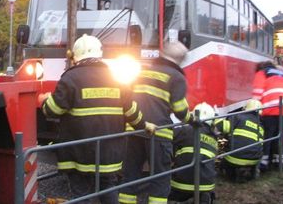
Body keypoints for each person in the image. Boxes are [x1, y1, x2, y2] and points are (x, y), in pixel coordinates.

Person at [38, 34, 155, 204]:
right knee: (108, 190)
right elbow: (131, 111)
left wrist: (44, 100)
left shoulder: (70, 78)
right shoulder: (117, 77)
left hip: (80, 154)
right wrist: (145, 125)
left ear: (75, 56)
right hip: (109, 154)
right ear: (100, 53)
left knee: (82, 195)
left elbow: (52, 111)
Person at [119, 41, 193, 204]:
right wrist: (193, 120)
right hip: (159, 132)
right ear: (180, 59)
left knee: (130, 174)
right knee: (160, 177)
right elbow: (180, 110)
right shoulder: (176, 77)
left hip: (134, 129)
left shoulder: (145, 71)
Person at [169, 103, 218, 204]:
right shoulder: (214, 139)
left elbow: (166, 137)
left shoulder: (184, 130)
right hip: (206, 185)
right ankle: (203, 197)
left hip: (180, 185)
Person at [252, 61, 283, 171]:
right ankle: (279, 162)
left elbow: (257, 92)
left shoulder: (262, 73)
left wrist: (254, 110)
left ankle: (264, 163)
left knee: (268, 136)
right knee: (281, 136)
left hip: (271, 108)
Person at [215, 99, 263, 183]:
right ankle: (249, 174)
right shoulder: (261, 126)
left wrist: (216, 115)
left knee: (222, 141)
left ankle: (227, 173)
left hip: (234, 158)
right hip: (254, 160)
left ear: (246, 108)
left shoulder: (238, 117)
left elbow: (222, 127)